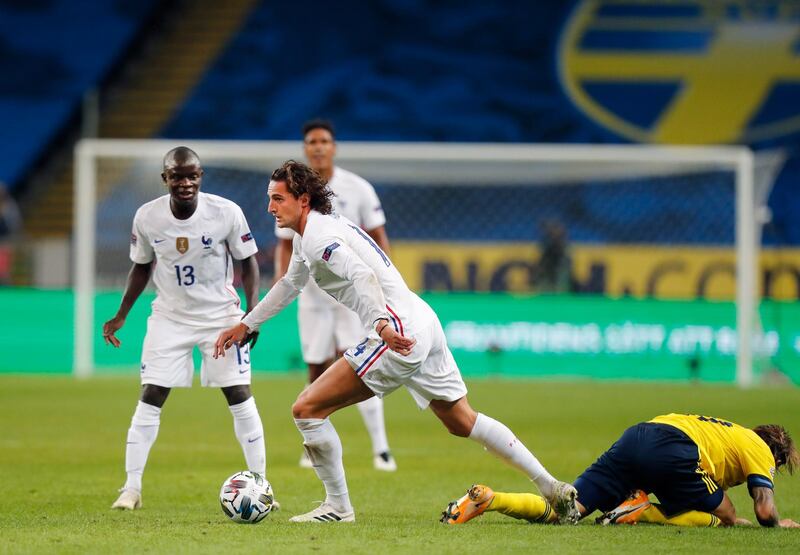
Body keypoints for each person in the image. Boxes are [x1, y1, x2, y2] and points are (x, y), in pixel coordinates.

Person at [214, 160, 579, 524]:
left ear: (303, 200)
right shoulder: (312, 232)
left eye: (278, 199)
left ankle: (338, 508)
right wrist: (247, 324)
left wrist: (382, 325)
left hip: (397, 331)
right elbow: (290, 284)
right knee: (461, 420)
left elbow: (362, 275)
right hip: (422, 320)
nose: (270, 207)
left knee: (306, 409)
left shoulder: (320, 237)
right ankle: (552, 488)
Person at [103, 147, 268, 511]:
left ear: (200, 176)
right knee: (151, 394)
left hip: (221, 318)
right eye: (177, 176)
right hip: (169, 318)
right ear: (166, 179)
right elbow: (141, 267)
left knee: (239, 394)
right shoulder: (147, 217)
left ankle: (262, 487)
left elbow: (249, 262)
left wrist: (251, 312)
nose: (185, 183)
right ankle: (131, 489)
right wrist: (122, 314)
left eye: (192, 175)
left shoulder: (226, 212)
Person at [274, 119, 396, 471]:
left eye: (324, 140)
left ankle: (381, 448)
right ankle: (313, 442)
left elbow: (378, 236)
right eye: (311, 141)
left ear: (334, 147)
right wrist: (284, 284)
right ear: (305, 148)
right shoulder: (290, 192)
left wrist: (386, 280)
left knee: (357, 361)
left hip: (352, 292)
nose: (318, 147)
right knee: (316, 365)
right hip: (312, 292)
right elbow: (284, 244)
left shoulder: (358, 188)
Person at [441, 413, 800, 528]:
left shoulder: (729, 431)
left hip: (639, 434)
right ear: (777, 455)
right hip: (677, 450)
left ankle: (490, 499)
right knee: (724, 515)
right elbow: (764, 510)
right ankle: (642, 509)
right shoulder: (759, 449)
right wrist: (772, 524)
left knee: (569, 512)